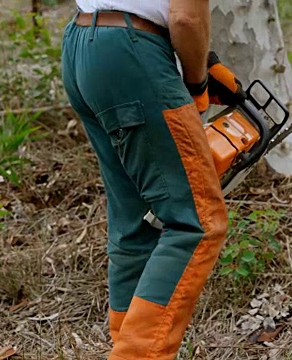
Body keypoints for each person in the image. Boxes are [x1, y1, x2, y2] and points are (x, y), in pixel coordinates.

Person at [60, 1, 246, 358]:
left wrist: (199, 61)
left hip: (84, 44)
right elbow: (186, 17)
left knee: (135, 223)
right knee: (197, 221)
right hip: (132, 52)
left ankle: (125, 340)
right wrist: (196, 84)